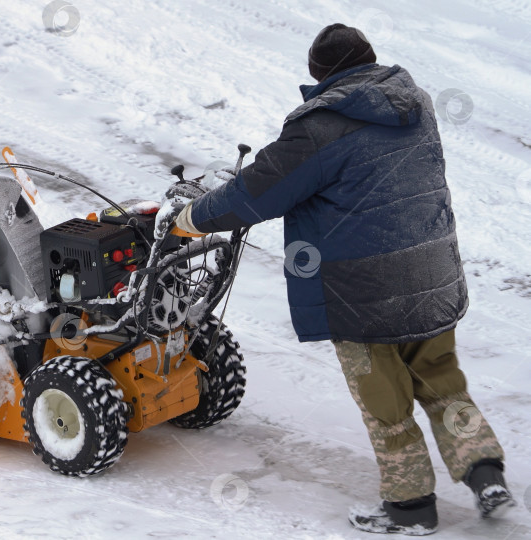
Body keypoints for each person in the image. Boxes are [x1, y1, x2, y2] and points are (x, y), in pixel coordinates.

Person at [174, 23, 516, 535]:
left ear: (321, 76)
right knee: (442, 380)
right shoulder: (413, 103)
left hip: (362, 291)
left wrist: (190, 219)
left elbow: (258, 192)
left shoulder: (322, 126)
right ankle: (485, 473)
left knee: (386, 402)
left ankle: (410, 508)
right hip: (431, 272)